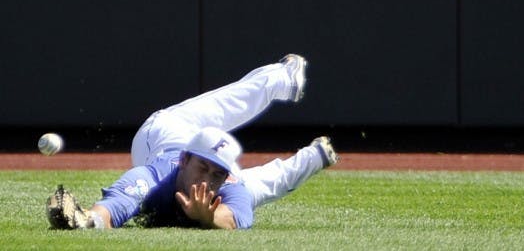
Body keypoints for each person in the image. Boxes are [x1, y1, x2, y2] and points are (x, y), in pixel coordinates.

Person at [46, 54, 339, 230]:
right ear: (185, 160)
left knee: (262, 186)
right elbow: (117, 205)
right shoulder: (156, 176)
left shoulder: (228, 186)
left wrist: (208, 218)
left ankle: (315, 156)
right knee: (223, 106)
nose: (208, 180)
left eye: (217, 173)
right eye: (202, 168)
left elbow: (233, 219)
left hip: (198, 152)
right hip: (164, 135)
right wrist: (88, 221)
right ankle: (281, 79)